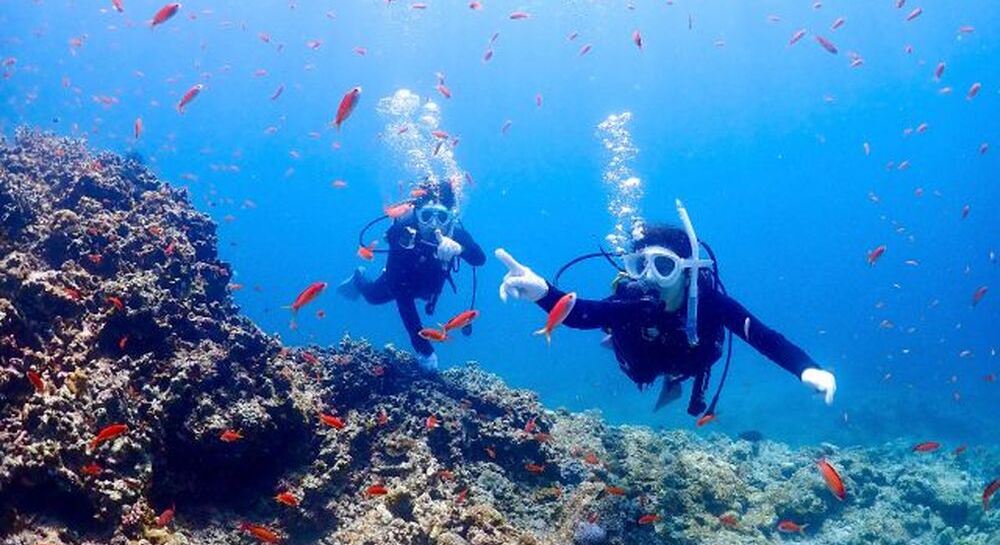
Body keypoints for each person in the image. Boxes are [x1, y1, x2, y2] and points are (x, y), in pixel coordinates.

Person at [495, 200, 837, 416]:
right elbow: (583, 315)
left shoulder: (710, 302)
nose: (648, 277)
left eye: (663, 265)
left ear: (687, 269)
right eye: (639, 264)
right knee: (617, 327)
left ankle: (670, 377)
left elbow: (764, 338)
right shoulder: (634, 298)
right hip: (641, 361)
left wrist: (806, 369)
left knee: (693, 358)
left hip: (688, 360)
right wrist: (543, 293)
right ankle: (616, 338)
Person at [338, 178, 485, 371]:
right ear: (417, 213)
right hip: (399, 282)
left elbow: (479, 260)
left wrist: (460, 248)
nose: (434, 225)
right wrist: (423, 348)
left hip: (429, 288)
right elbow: (401, 294)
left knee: (422, 293)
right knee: (373, 297)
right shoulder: (403, 233)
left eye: (442, 217)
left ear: (451, 217)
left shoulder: (456, 235)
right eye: (426, 216)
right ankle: (359, 276)